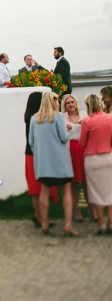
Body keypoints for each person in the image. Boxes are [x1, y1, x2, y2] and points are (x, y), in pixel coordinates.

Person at [29, 92, 76, 236]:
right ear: (54, 101)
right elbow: (63, 137)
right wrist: (68, 131)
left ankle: (44, 223)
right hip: (60, 161)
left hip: (43, 162)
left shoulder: (33, 119)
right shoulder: (58, 117)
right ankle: (68, 224)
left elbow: (31, 142)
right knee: (66, 191)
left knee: (44, 191)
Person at [79, 94, 112, 235]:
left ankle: (101, 223)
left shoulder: (87, 121)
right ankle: (110, 221)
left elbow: (82, 143)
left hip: (93, 158)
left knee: (96, 191)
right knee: (110, 190)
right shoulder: (110, 118)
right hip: (108, 156)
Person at [24, 91, 58, 227]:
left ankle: (39, 216)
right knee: (41, 188)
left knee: (35, 189)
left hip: (29, 154)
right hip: (38, 155)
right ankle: (42, 217)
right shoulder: (37, 119)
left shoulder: (28, 118)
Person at [61, 94, 89, 222]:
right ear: (65, 106)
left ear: (76, 103)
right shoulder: (62, 117)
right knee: (73, 183)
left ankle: (92, 209)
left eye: (72, 102)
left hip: (83, 147)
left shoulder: (84, 115)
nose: (71, 104)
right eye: (68, 103)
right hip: (70, 149)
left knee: (87, 182)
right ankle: (76, 212)